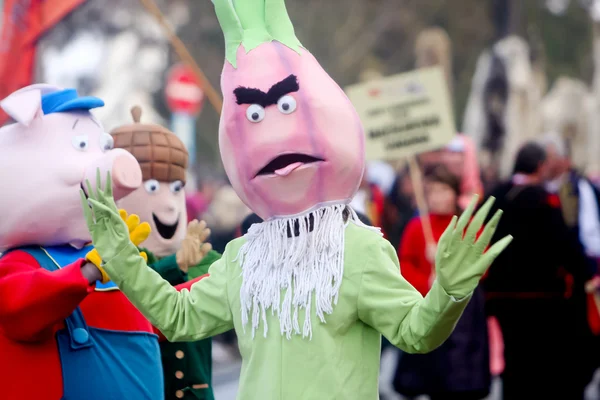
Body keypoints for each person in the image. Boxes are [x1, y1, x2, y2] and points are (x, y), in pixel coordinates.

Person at [79, 1, 512, 398]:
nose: (273, 138)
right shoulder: (243, 257)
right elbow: (177, 316)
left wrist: (450, 292)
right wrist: (120, 255)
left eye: (285, 108)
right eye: (252, 116)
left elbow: (414, 332)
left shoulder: (359, 250)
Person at [112, 106, 220, 400]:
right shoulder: (112, 263)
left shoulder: (209, 260)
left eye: (175, 188)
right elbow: (130, 295)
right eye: (150, 187)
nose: (171, 205)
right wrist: (176, 264)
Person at [484, 142, 592, 400]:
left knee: (513, 358)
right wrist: (584, 272)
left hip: (501, 296)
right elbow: (565, 245)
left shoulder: (495, 194)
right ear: (540, 166)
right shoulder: (545, 199)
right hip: (541, 298)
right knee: (540, 360)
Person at [393, 165, 490, 400]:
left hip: (462, 315)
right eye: (432, 192)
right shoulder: (417, 227)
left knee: (459, 381)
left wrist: (446, 264)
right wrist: (425, 281)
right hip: (428, 308)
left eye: (443, 190)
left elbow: (481, 267)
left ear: (455, 193)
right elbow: (404, 265)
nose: (438, 197)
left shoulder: (468, 226)